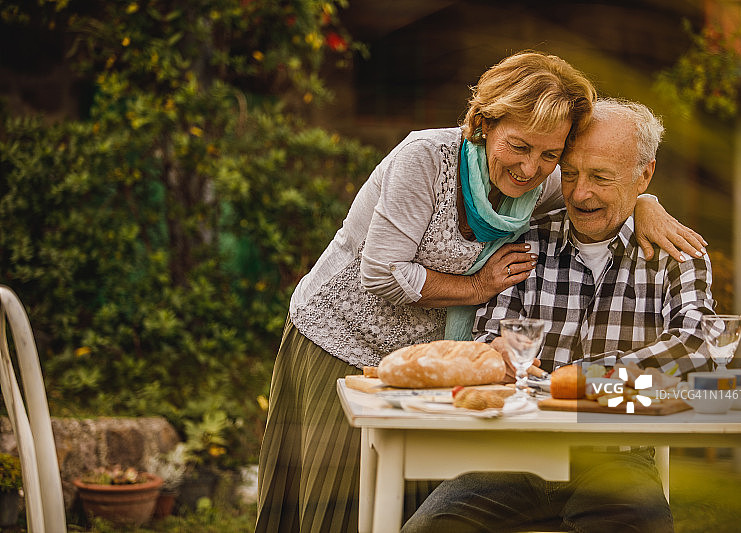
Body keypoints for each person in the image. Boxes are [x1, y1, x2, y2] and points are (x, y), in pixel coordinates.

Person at [255, 52, 707, 533]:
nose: (535, 170)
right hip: (344, 338)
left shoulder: (558, 191)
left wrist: (645, 203)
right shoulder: (429, 160)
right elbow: (388, 276)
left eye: (551, 156)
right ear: (484, 123)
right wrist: (477, 289)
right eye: (521, 146)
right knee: (336, 503)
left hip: (441, 374)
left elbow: (699, 349)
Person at [401, 98, 715, 533]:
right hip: (514, 454)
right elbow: (490, 337)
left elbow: (701, 349)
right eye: (570, 174)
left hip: (617, 459)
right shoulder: (525, 242)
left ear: (644, 175)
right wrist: (496, 353)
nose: (580, 193)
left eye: (600, 177)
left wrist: (587, 378)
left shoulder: (675, 254)